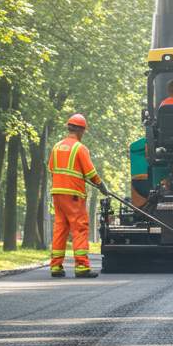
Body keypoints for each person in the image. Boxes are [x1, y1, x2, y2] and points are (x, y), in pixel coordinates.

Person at [49, 113, 105, 278]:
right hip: (73, 195)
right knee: (80, 228)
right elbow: (91, 173)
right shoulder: (80, 148)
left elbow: (52, 168)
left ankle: (56, 267)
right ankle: (82, 267)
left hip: (57, 193)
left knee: (60, 228)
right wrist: (102, 186)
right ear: (80, 130)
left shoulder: (56, 147)